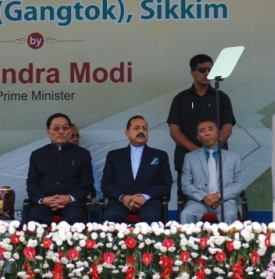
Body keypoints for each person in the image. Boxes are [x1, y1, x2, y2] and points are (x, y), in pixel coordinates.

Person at [167, 54, 236, 195]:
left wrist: (211, 149)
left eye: (210, 69)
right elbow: (174, 130)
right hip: (187, 159)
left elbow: (227, 129)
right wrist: (197, 152)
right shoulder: (180, 99)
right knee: (188, 203)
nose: (207, 73)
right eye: (202, 69)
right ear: (192, 72)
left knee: (221, 201)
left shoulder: (221, 97)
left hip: (218, 160)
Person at [101, 115, 172, 223]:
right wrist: (124, 198)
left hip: (149, 201)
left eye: (144, 128)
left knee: (152, 215)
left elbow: (165, 184)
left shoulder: (160, 155)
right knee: (111, 215)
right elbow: (106, 184)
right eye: (136, 128)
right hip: (120, 202)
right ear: (127, 133)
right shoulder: (114, 156)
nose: (141, 131)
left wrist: (144, 197)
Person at [25, 113, 93, 224]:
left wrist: (69, 198)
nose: (61, 131)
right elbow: (32, 182)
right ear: (48, 133)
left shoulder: (82, 154)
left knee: (74, 218)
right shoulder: (38, 155)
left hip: (72, 203)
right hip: (44, 203)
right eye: (56, 128)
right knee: (34, 219)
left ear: (70, 131)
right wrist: (43, 199)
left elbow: (86, 182)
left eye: (65, 128)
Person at [179, 118, 244, 224]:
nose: (207, 133)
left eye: (210, 129)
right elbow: (186, 185)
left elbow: (238, 184)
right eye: (202, 131)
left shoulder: (233, 157)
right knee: (186, 214)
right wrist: (206, 198)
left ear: (218, 133)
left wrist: (218, 196)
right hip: (198, 201)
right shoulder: (190, 157)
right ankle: (190, 241)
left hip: (225, 201)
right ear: (198, 137)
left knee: (230, 214)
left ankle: (228, 241)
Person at [70, 124, 101, 201]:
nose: (75, 139)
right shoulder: (50, 159)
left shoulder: (86, 159)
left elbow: (96, 191)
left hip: (78, 203)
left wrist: (89, 193)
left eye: (77, 136)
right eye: (71, 136)